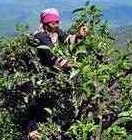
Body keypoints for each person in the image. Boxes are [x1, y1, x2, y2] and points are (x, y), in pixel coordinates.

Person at [26, 8, 89, 140]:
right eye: (53, 23)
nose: (56, 25)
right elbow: (52, 57)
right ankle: (34, 131)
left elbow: (67, 39)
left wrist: (79, 36)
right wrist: (71, 64)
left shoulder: (54, 31)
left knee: (50, 103)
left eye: (57, 22)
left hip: (51, 73)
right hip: (40, 76)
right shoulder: (41, 36)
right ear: (46, 23)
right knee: (39, 104)